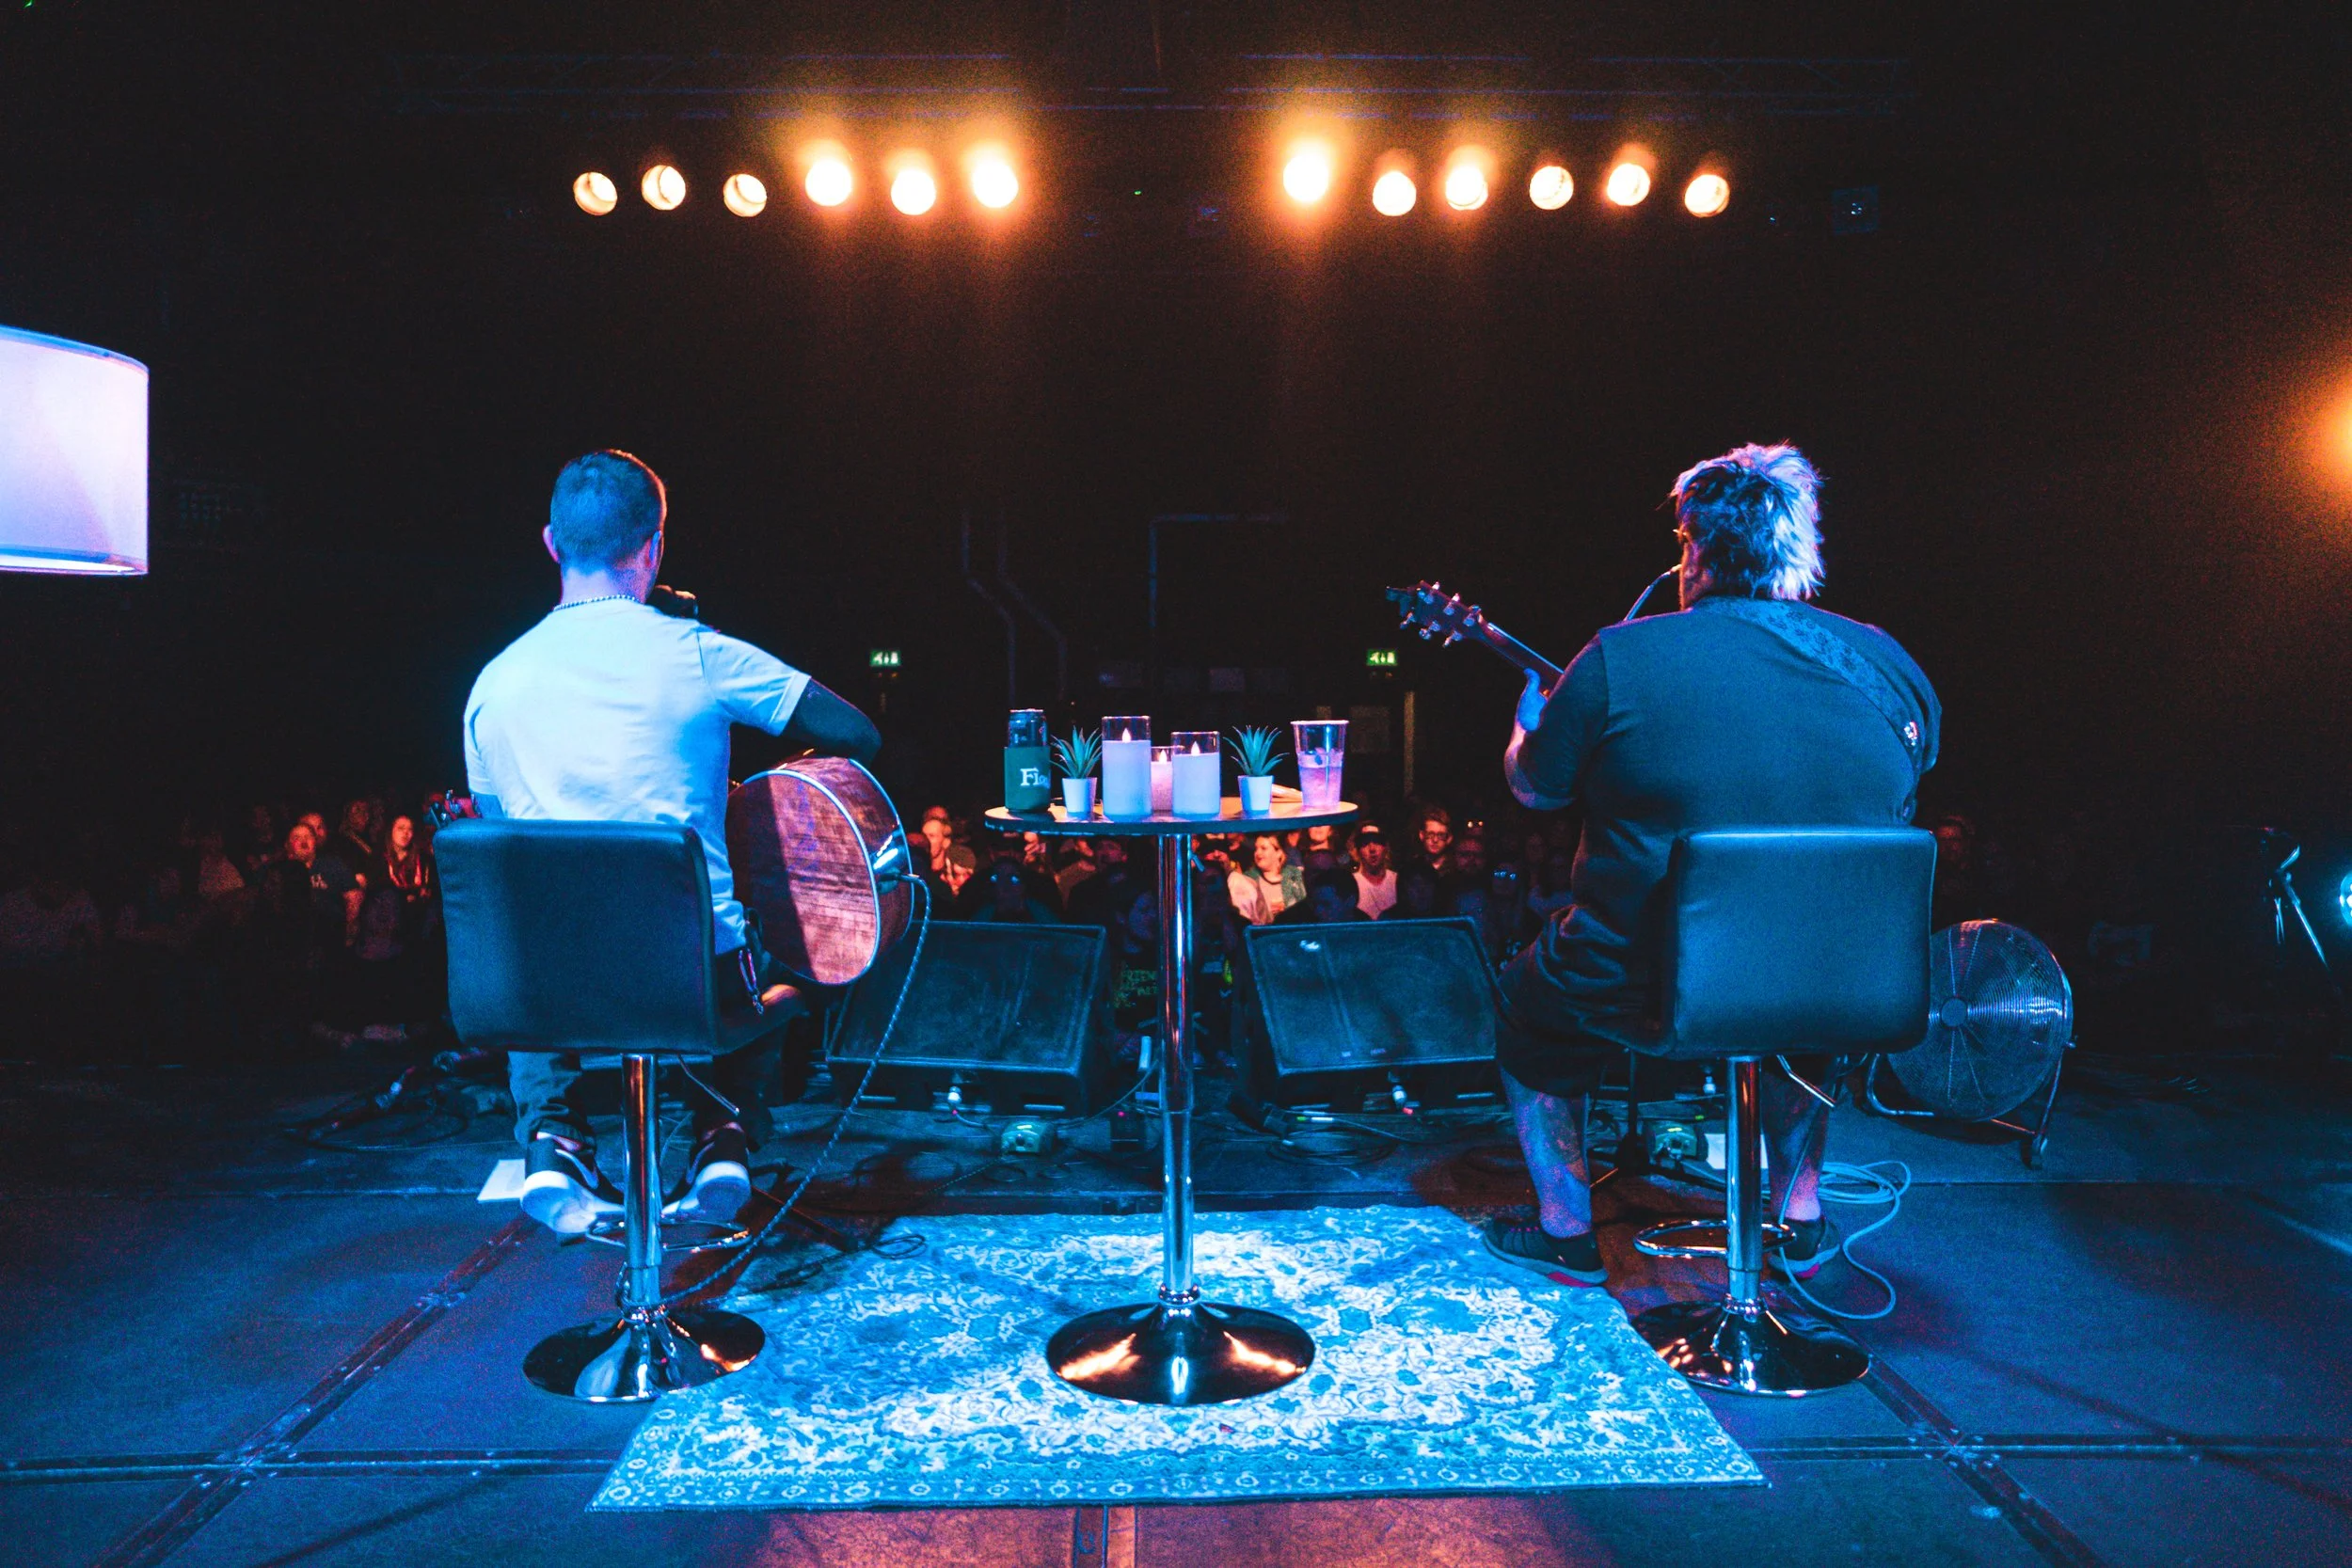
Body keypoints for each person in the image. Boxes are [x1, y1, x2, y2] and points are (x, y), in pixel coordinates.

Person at [1486, 442, 1938, 1289]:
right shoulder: (1887, 661)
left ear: (1693, 549)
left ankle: (1566, 1229)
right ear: (1799, 550)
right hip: (1840, 979)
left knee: (1526, 1005)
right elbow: (1909, 780)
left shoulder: (1619, 655)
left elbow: (1536, 788)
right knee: (1801, 1031)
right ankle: (1798, 1214)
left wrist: (1525, 729)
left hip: (1646, 976)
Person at [464, 450, 882, 1236]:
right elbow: (856, 733)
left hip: (548, 995)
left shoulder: (492, 684)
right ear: (654, 546)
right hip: (688, 985)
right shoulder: (699, 653)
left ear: (552, 543)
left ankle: (555, 1142)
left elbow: (503, 839)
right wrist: (751, 800)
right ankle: (722, 1131)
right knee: (769, 924)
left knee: (539, 933)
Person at [1227, 833, 1302, 926]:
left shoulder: (1294, 876)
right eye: (1256, 849)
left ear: (1278, 853)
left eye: (1263, 848)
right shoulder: (1248, 880)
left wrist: (1287, 909)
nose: (1258, 853)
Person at [1274, 867, 1373, 927]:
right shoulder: (1296, 923)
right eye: (1315, 904)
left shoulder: (1368, 930)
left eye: (1326, 904)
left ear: (1350, 901)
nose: (1318, 911)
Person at [975, 857, 1060, 924]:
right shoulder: (984, 915)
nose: (1006, 883)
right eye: (999, 878)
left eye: (1013, 878)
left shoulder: (1041, 913)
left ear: (1023, 885)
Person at [1351, 823, 1398, 917]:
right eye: (1365, 843)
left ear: (1386, 848)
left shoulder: (1397, 881)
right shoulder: (1351, 884)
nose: (1372, 849)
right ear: (1358, 850)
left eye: (1377, 842)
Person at [1412, 807, 1455, 877]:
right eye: (1430, 834)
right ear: (1422, 835)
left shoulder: (1456, 869)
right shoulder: (1411, 868)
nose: (1435, 840)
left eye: (1441, 835)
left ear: (1449, 838)